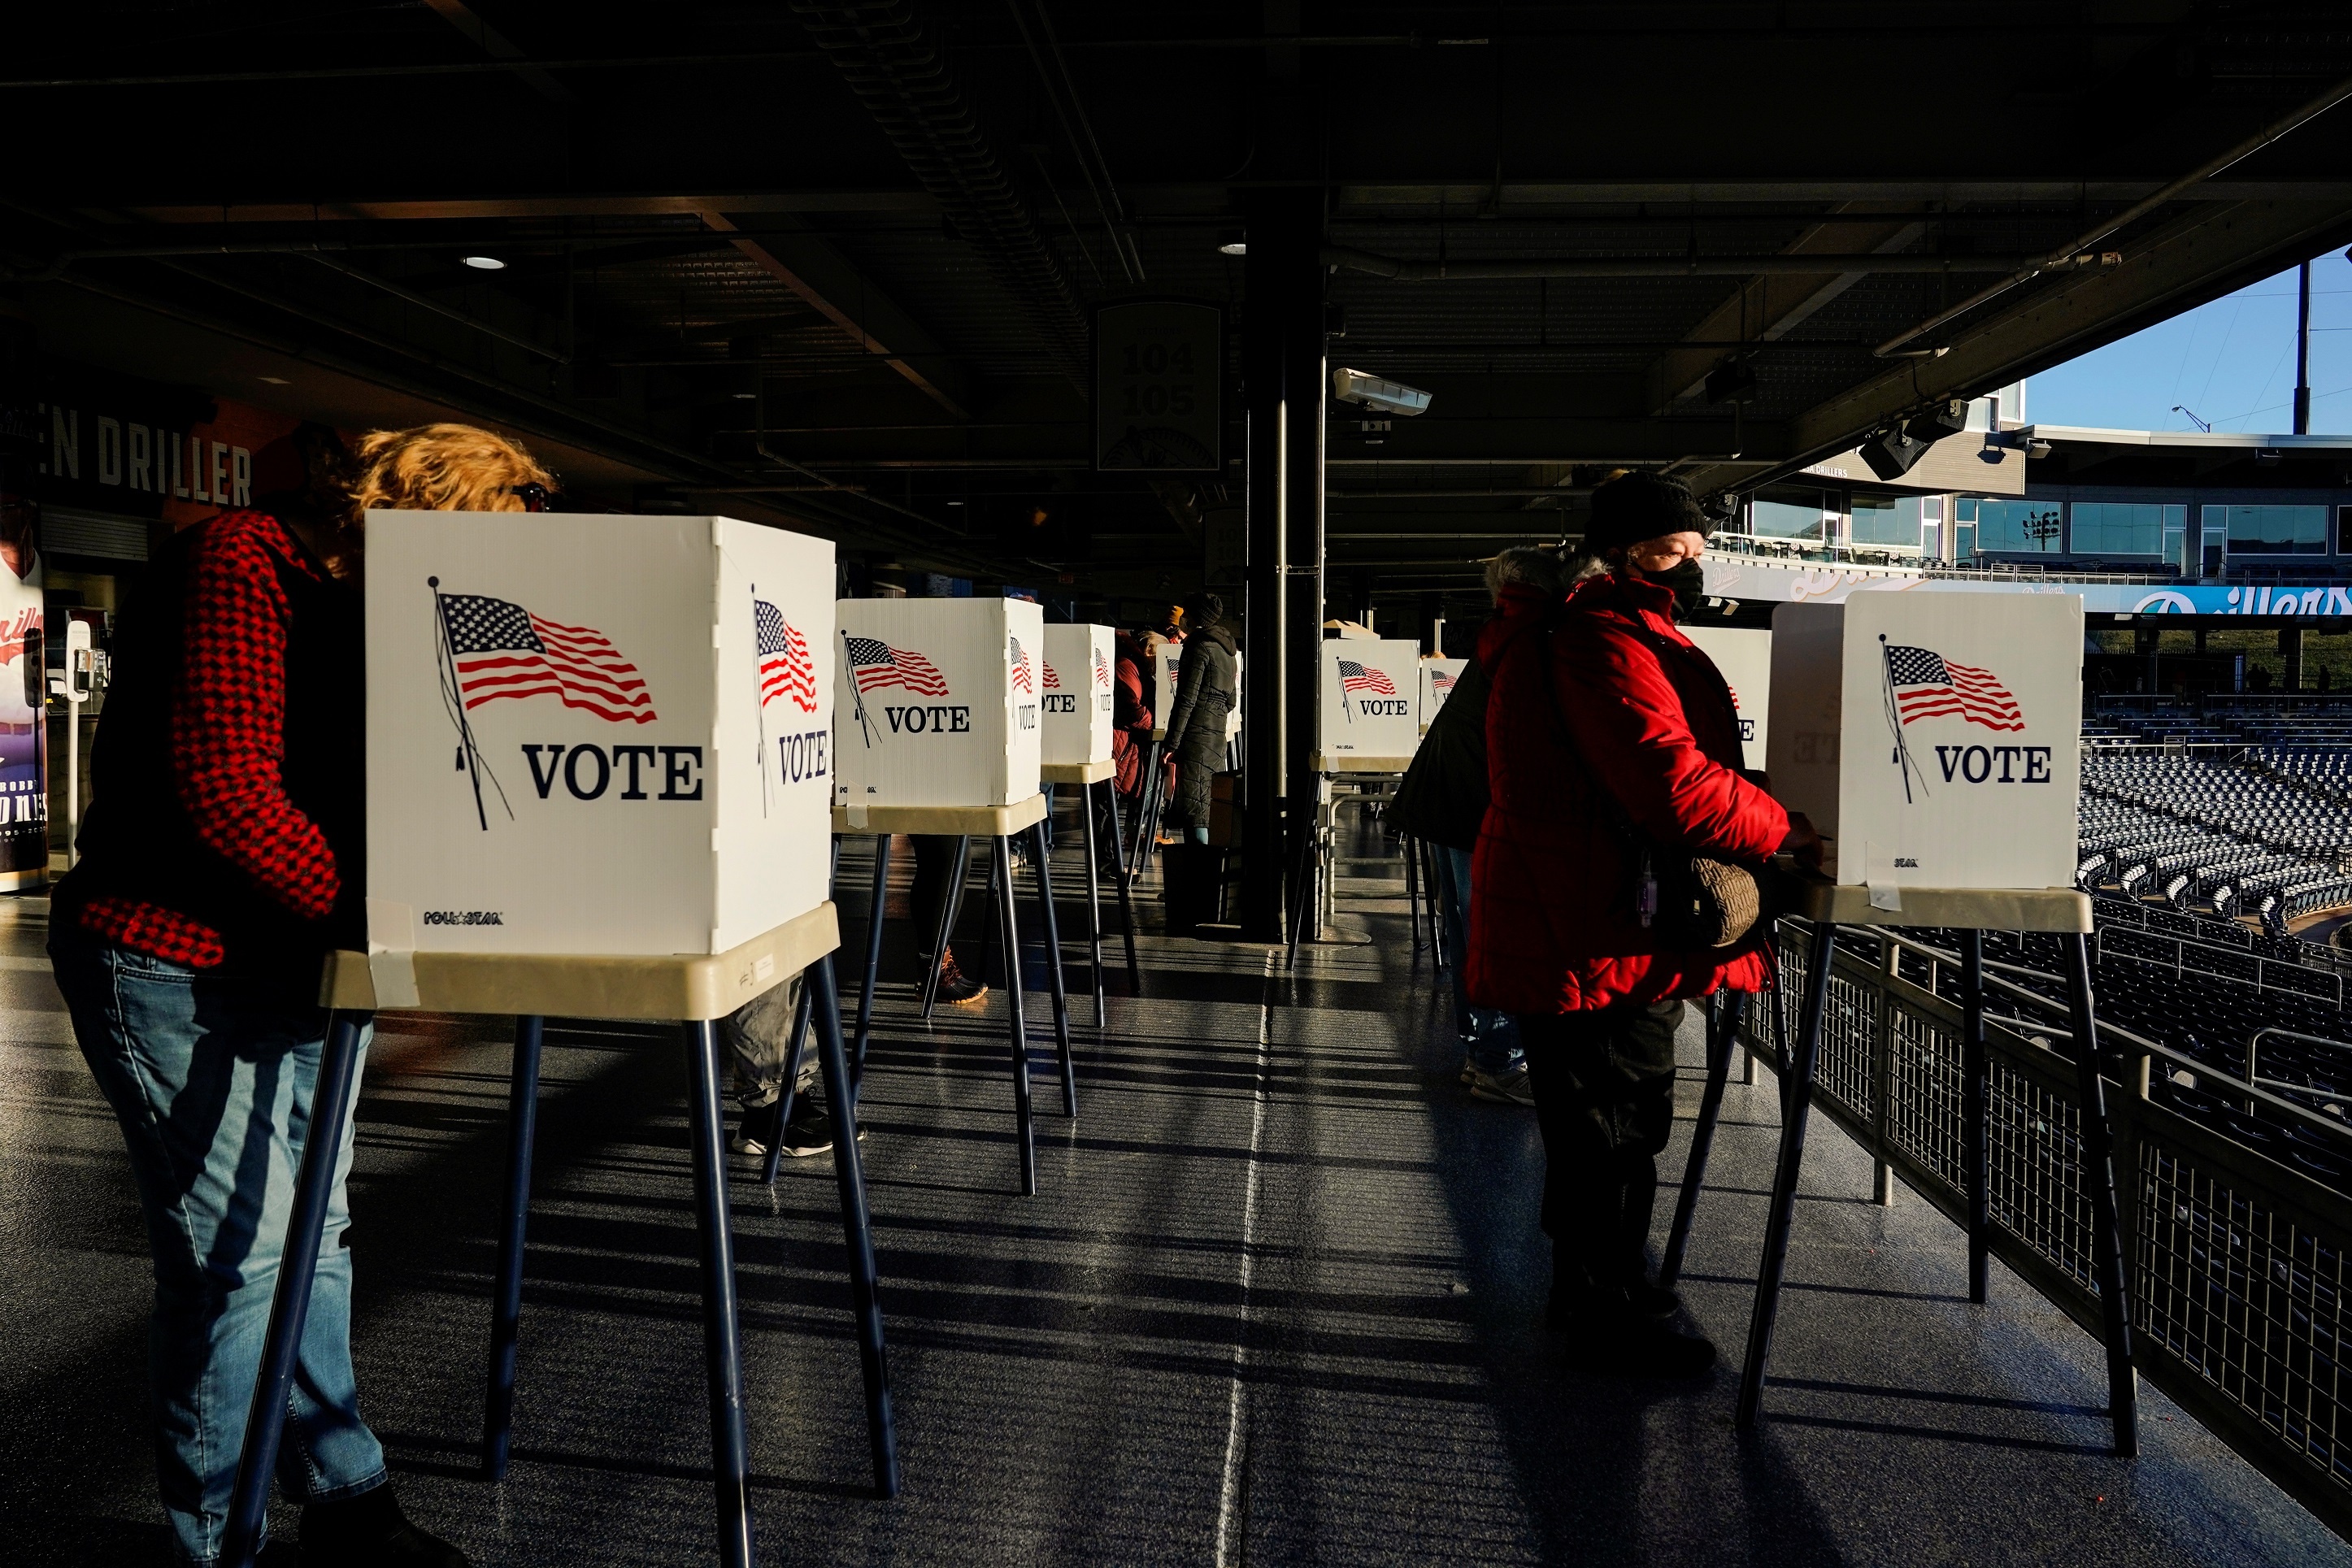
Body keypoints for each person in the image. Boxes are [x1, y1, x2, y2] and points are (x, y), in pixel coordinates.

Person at [50, 423, 550, 1566]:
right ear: (402, 514)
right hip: (174, 956)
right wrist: (386, 919)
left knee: (310, 1233)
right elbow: (225, 791)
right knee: (239, 1255)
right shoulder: (240, 563)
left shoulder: (357, 595)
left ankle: (346, 1497)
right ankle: (224, 1539)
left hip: (296, 956)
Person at [1468, 470, 1818, 1379]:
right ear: (1627, 550)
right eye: (1679, 545)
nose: (1697, 559)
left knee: (1601, 1121)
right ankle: (1612, 1309)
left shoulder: (1593, 626)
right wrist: (1788, 830)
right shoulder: (1597, 636)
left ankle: (1592, 1288)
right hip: (1594, 920)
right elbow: (1668, 782)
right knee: (1611, 1124)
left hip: (1582, 908)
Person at [1389, 548, 1566, 1107]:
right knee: (1490, 931)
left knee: (1467, 931)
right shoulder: (1538, 637)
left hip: (1447, 797)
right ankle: (1497, 1060)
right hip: (1475, 805)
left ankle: (1484, 1054)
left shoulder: (1502, 630)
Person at [1159, 593, 1237, 844]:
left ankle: (1202, 873)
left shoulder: (1198, 648)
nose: (1183, 619)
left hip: (1195, 738)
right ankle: (1207, 872)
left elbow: (1186, 700)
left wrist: (1171, 744)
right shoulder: (1228, 652)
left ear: (1196, 618)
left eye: (1187, 615)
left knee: (1195, 811)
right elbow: (1231, 700)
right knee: (1206, 805)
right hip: (1216, 739)